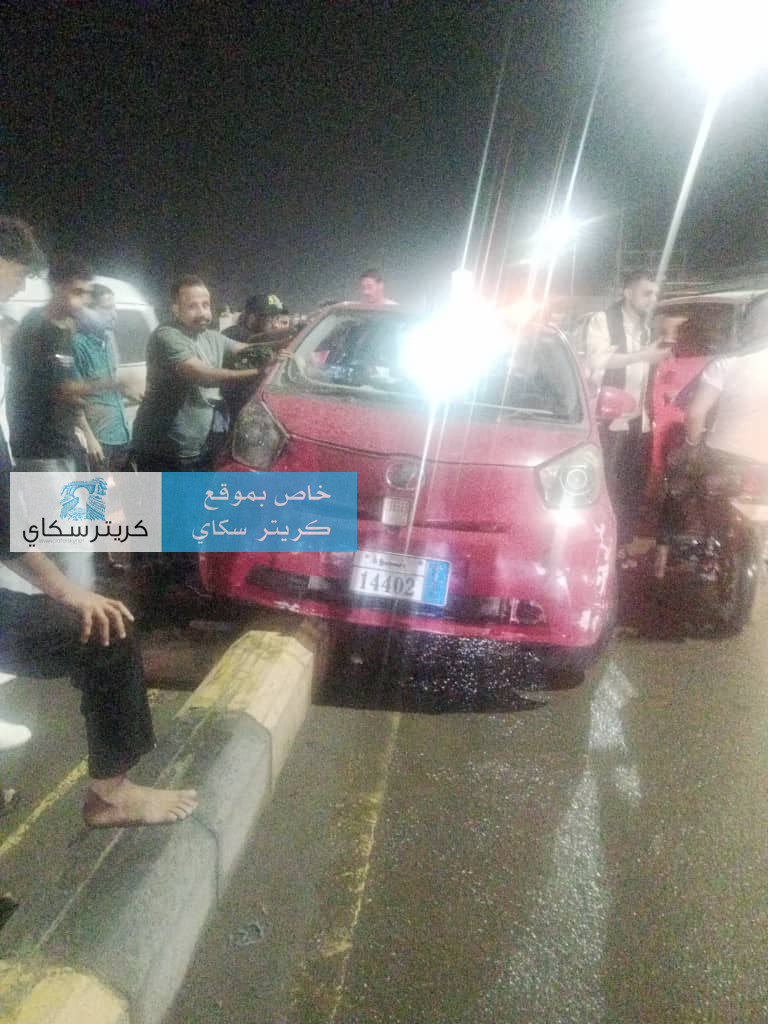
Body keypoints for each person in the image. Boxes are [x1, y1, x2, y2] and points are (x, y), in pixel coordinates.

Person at [0, 216, 197, 829]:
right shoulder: (38, 333)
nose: (14, 290)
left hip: (61, 459)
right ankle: (111, 795)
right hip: (43, 466)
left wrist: (86, 435)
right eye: (12, 278)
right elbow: (5, 520)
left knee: (81, 561)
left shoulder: (59, 330)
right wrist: (67, 593)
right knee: (101, 621)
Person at [131, 276, 266, 472]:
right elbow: (203, 375)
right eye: (192, 306)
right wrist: (259, 372)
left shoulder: (209, 336)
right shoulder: (166, 336)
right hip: (163, 452)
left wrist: (287, 342)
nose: (202, 312)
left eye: (205, 305)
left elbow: (248, 348)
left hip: (197, 448)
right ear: (175, 309)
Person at [584, 270, 671, 560]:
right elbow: (598, 360)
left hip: (638, 419)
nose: (652, 299)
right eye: (647, 292)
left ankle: (621, 545)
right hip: (610, 419)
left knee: (633, 485)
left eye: (655, 294)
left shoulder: (645, 328)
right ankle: (599, 545)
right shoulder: (603, 320)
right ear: (627, 293)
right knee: (608, 485)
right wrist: (643, 356)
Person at [72, 282, 136, 472]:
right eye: (107, 309)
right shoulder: (77, 345)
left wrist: (128, 392)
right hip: (99, 441)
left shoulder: (107, 341)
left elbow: (105, 385)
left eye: (114, 308)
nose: (114, 315)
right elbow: (74, 398)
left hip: (122, 434)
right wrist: (89, 438)